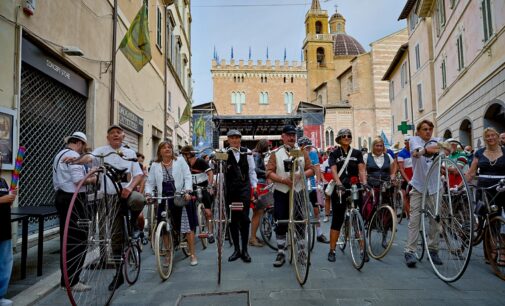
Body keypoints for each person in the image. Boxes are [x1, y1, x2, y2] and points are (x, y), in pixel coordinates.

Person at [91, 125, 145, 290]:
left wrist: (129, 187)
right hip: (109, 197)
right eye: (112, 133)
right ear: (108, 137)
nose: (115, 135)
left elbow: (139, 174)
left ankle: (134, 224)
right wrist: (77, 159)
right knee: (116, 237)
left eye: (118, 133)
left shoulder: (129, 153)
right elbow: (88, 159)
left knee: (139, 199)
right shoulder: (101, 151)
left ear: (123, 136)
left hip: (126, 194)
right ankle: (119, 274)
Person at [53, 132, 96, 292]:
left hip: (61, 197)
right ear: (79, 143)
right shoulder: (73, 155)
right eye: (84, 146)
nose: (83, 149)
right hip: (74, 199)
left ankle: (67, 279)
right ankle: (72, 280)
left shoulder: (59, 154)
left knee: (67, 238)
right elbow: (79, 180)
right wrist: (93, 178)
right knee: (78, 239)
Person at [266, 125, 314, 267]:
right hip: (282, 191)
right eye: (288, 135)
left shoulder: (301, 152)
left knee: (300, 221)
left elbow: (311, 169)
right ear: (283, 136)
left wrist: (301, 176)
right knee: (281, 222)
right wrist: (282, 180)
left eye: (293, 135)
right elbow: (269, 172)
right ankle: (281, 252)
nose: (292, 137)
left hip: (298, 191)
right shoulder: (276, 153)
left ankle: (301, 252)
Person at [145, 141, 197, 265]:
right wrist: (148, 194)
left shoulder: (179, 161)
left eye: (169, 147)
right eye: (164, 147)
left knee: (187, 225)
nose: (167, 149)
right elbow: (150, 182)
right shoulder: (155, 165)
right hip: (163, 196)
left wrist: (188, 191)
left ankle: (193, 254)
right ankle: (168, 254)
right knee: (162, 226)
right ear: (159, 151)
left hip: (179, 195)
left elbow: (187, 176)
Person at [404, 119, 443, 268]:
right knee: (414, 219)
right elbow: (417, 151)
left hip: (435, 186)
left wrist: (428, 150)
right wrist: (428, 150)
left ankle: (433, 250)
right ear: (419, 131)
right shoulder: (414, 140)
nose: (428, 131)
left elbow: (446, 149)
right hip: (419, 185)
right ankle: (410, 251)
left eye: (430, 129)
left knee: (435, 220)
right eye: (425, 129)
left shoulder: (438, 139)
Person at [326, 128, 368, 262]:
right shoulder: (334, 153)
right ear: (338, 138)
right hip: (340, 188)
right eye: (343, 135)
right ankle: (332, 250)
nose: (346, 137)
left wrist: (365, 183)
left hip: (355, 187)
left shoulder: (357, 153)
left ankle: (362, 249)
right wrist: (338, 184)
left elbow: (361, 169)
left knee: (358, 218)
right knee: (337, 219)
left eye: (349, 135)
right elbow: (333, 170)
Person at [225, 129, 257, 263]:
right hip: (230, 190)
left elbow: (251, 171)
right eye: (232, 138)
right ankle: (236, 249)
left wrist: (254, 187)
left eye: (237, 138)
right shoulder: (224, 153)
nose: (234, 140)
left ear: (240, 139)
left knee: (244, 219)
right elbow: (220, 172)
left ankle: (245, 250)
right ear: (228, 140)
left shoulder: (246, 152)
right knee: (232, 219)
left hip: (244, 189)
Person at [465, 127, 505, 222]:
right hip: (484, 189)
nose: (490, 138)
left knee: (499, 216)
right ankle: (487, 235)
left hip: (502, 187)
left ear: (497, 136)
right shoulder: (479, 152)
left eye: (493, 135)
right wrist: (459, 187)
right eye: (487, 136)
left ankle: (498, 235)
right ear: (485, 139)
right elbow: (471, 173)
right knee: (485, 217)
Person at [180, 145, 215, 244]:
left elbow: (210, 173)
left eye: (184, 154)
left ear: (189, 154)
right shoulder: (183, 164)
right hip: (190, 189)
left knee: (208, 212)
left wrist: (209, 185)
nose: (183, 156)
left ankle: (210, 232)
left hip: (203, 188)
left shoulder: (201, 162)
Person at [297, 136, 329, 244]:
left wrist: (319, 183)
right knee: (300, 210)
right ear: (301, 147)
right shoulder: (296, 153)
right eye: (306, 148)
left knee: (316, 210)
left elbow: (317, 168)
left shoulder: (313, 154)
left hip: (311, 183)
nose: (308, 150)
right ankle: (299, 233)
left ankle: (319, 234)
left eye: (309, 148)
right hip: (299, 183)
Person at [0, 155, 17, 306]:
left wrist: (12, 196)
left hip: (4, 228)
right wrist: (3, 199)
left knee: (5, 263)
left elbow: (8, 204)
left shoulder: (3, 181)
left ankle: (0, 295)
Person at [249, 139, 270, 247]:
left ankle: (253, 236)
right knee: (258, 212)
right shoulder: (257, 155)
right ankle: (252, 238)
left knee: (257, 213)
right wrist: (266, 172)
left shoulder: (254, 154)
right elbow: (255, 170)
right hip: (259, 185)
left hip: (258, 185)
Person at [397, 136, 413, 218]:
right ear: (405, 143)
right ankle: (410, 215)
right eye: (408, 143)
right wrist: (407, 180)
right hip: (407, 178)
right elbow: (401, 169)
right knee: (406, 197)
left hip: (415, 177)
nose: (410, 144)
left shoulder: (415, 151)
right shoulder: (401, 154)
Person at [320, 147, 334, 223]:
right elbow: (321, 172)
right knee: (327, 199)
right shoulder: (326, 162)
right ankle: (326, 215)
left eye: (332, 153)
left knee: (337, 200)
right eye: (329, 153)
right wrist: (324, 180)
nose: (331, 154)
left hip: (335, 183)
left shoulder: (336, 162)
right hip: (328, 184)